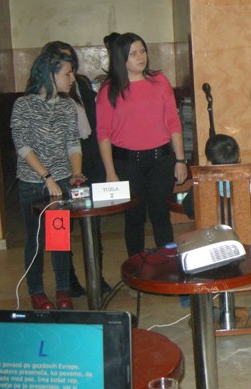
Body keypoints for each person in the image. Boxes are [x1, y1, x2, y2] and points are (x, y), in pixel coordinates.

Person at [181, 134, 251, 339]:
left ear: (209, 162)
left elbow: (188, 209)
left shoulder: (199, 186)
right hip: (247, 255)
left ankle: (198, 307)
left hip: (210, 259)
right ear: (239, 159)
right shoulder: (250, 184)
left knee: (183, 260)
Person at [96, 32, 187, 256]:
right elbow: (103, 133)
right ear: (122, 58)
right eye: (134, 53)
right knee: (134, 218)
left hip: (161, 160)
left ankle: (168, 265)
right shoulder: (110, 89)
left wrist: (180, 160)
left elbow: (173, 122)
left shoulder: (160, 81)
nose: (140, 57)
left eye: (143, 51)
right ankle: (136, 267)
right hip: (128, 163)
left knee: (160, 215)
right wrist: (110, 172)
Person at [11, 42, 85, 310]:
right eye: (67, 73)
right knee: (36, 239)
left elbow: (73, 144)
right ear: (50, 74)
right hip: (33, 183)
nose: (72, 78)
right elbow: (22, 146)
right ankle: (37, 291)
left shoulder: (67, 107)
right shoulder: (23, 105)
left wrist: (75, 172)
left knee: (59, 239)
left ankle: (63, 290)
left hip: (61, 181)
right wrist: (47, 177)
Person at [46, 41, 111, 298]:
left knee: (92, 225)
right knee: (59, 228)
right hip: (59, 167)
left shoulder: (81, 84)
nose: (69, 70)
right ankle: (66, 281)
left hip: (88, 162)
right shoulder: (42, 93)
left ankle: (97, 276)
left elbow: (94, 126)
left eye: (71, 61)